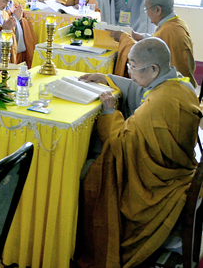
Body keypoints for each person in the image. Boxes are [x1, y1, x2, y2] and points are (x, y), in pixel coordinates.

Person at [76, 38, 201, 268]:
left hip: (159, 182)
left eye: (133, 67)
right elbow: (142, 88)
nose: (129, 71)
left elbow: (120, 144)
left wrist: (110, 112)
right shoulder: (181, 84)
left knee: (90, 173)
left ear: (153, 69)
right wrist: (108, 78)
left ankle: (83, 240)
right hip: (179, 165)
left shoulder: (156, 105)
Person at [111, 0, 196, 86]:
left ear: (157, 10)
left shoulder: (168, 31)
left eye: (146, 9)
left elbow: (142, 56)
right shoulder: (177, 23)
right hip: (185, 84)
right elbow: (158, 39)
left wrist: (123, 37)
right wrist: (140, 37)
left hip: (171, 87)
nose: (147, 13)